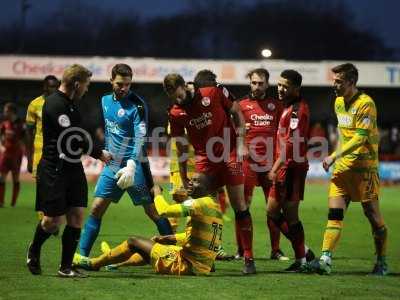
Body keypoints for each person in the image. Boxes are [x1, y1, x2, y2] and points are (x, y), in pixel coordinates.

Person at [164, 70, 255, 274]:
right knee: (203, 207)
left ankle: (248, 257)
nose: (178, 101)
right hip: (205, 162)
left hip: (230, 153)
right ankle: (207, 255)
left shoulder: (213, 93)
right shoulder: (175, 112)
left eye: (179, 96)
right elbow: (179, 146)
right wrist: (184, 175)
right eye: (173, 99)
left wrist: (241, 143)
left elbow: (237, 112)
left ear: (185, 86)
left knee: (239, 206)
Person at [77, 64, 172, 259]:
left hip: (134, 168)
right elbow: (112, 131)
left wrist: (131, 164)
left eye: (128, 84)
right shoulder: (104, 101)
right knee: (96, 208)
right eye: (120, 84)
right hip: (112, 166)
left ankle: (175, 250)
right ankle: (82, 256)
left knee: (153, 212)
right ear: (111, 80)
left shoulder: (137, 105)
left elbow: (140, 138)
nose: (124, 88)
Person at [26, 64, 112, 277]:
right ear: (76, 84)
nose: (87, 89)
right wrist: (99, 153)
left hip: (73, 168)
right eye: (86, 85)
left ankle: (65, 268)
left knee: (76, 217)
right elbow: (73, 136)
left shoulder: (73, 105)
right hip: (54, 169)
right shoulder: (54, 104)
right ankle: (34, 249)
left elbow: (80, 135)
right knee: (52, 222)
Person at [312, 63, 388, 275]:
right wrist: (337, 157)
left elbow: (360, 138)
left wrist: (334, 155)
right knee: (335, 213)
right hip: (343, 170)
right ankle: (325, 259)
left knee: (373, 216)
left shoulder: (366, 104)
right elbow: (343, 134)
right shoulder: (338, 102)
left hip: (364, 170)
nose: (334, 85)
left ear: (351, 82)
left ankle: (382, 260)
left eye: (339, 81)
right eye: (333, 80)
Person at [74, 175, 224, 276]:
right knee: (154, 247)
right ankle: (116, 262)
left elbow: (165, 211)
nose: (190, 182)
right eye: (191, 179)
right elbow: (204, 236)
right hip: (202, 264)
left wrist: (157, 193)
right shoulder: (215, 208)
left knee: (134, 241)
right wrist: (170, 237)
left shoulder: (199, 203)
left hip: (187, 265)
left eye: (196, 181)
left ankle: (94, 263)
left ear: (208, 189)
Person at [237, 68, 289, 261]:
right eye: (253, 83)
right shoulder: (240, 105)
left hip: (270, 165)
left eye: (260, 83)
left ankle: (275, 250)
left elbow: (284, 134)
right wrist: (239, 129)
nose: (257, 86)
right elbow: (228, 130)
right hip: (248, 164)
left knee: (274, 208)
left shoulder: (277, 105)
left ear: (267, 84)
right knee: (243, 207)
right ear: (249, 83)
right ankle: (242, 250)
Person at [267, 70, 312, 272]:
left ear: (296, 88)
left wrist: (274, 167)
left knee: (291, 215)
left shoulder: (297, 110)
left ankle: (301, 259)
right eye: (279, 84)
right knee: (272, 211)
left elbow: (292, 143)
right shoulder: (286, 107)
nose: (280, 88)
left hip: (292, 168)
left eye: (285, 85)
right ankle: (304, 252)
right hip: (284, 168)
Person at [26, 75, 60, 176]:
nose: (55, 90)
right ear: (44, 87)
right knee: (40, 185)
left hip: (57, 150)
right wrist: (29, 158)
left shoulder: (61, 103)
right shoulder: (34, 104)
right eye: (51, 86)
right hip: (39, 151)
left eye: (56, 87)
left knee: (56, 186)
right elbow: (28, 132)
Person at [0, 102, 25, 207]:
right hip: (5, 155)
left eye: (6, 111)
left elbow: (26, 139)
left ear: (11, 111)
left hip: (16, 156)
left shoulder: (21, 124)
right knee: (1, 178)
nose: (4, 113)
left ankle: (13, 203)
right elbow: (1, 136)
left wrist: (22, 148)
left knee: (15, 178)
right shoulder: (4, 124)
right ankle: (1, 202)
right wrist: (1, 146)